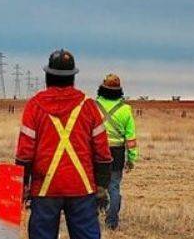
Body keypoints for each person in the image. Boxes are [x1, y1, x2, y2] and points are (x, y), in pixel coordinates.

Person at [14, 49, 112, 239]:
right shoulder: (88, 106)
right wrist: (102, 185)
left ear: (48, 76)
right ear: (73, 77)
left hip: (45, 189)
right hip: (82, 187)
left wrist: (23, 185)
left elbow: (24, 153)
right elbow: (103, 152)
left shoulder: (34, 106)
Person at [96, 73, 138, 231]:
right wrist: (131, 159)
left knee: (94, 185)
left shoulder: (93, 106)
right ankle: (112, 222)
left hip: (97, 152)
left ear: (102, 88)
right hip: (117, 153)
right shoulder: (126, 110)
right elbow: (130, 138)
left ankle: (92, 218)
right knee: (114, 187)